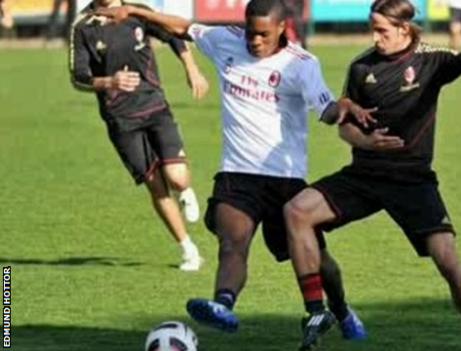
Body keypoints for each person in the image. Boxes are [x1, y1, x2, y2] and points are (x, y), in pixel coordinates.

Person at [95, 0, 374, 339]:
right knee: (233, 241)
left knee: (318, 256)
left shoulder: (302, 64)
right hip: (237, 174)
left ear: (282, 29)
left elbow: (326, 110)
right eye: (250, 33)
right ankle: (223, 304)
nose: (253, 41)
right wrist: (137, 12)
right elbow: (182, 27)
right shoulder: (227, 40)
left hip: (285, 181)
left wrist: (342, 108)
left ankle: (342, 311)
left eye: (262, 35)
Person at [283, 0, 461, 350]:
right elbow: (345, 128)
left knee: (448, 260)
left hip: (412, 180)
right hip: (366, 175)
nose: (375, 37)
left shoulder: (431, 59)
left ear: (404, 29)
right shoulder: (361, 67)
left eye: (382, 30)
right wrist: (367, 142)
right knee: (296, 212)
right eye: (372, 28)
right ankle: (318, 310)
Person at [69, 0, 209, 271]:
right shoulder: (83, 25)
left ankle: (185, 190)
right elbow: (78, 76)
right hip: (120, 119)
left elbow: (174, 36)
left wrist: (192, 69)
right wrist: (109, 82)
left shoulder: (136, 11)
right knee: (155, 185)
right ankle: (188, 249)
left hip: (155, 106)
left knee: (177, 178)